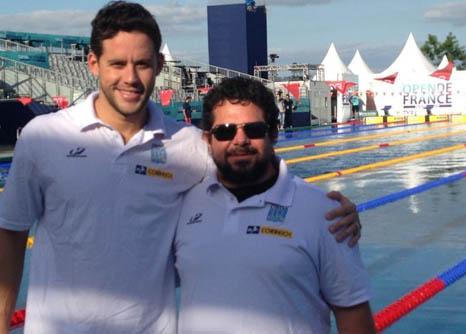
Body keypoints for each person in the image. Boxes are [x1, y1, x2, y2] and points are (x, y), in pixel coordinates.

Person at [0, 2, 361, 333]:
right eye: (117, 64)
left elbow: (251, 171)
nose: (131, 78)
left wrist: (329, 211)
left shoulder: (189, 145)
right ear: (93, 63)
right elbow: (11, 233)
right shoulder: (44, 137)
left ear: (158, 64)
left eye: (142, 64)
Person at [174, 77, 375, 334]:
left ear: (273, 133)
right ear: (207, 139)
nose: (240, 140)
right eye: (225, 131)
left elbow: (354, 316)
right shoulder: (185, 204)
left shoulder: (325, 213)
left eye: (254, 130)